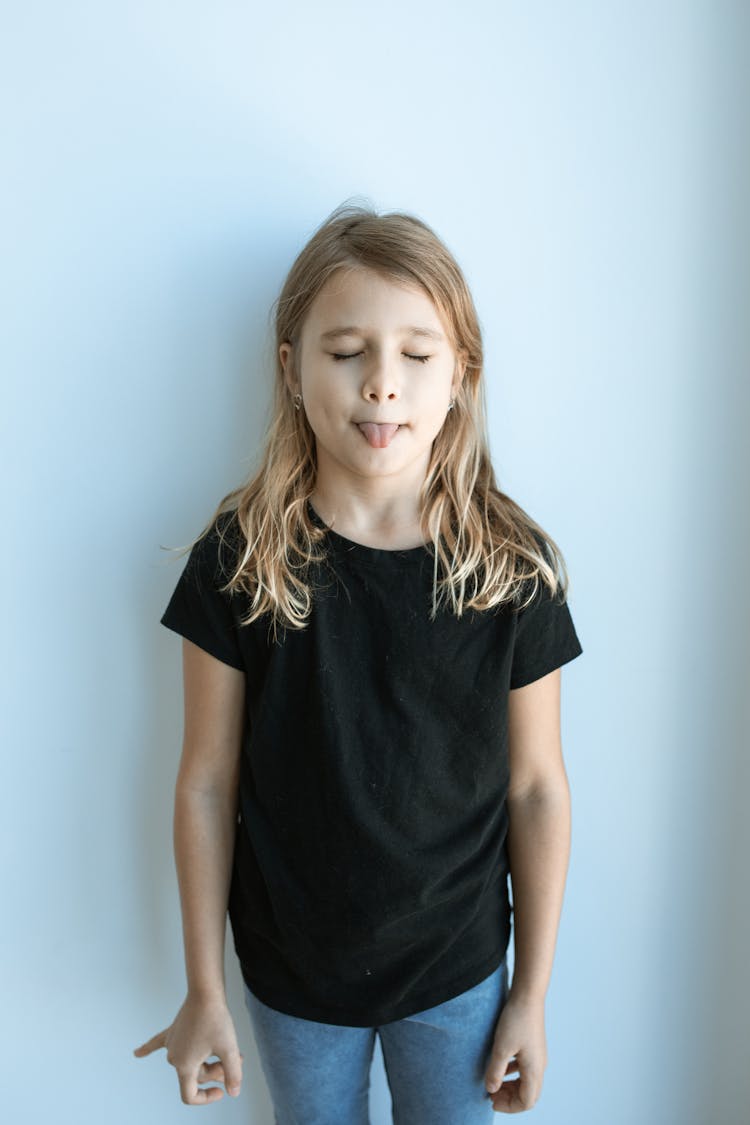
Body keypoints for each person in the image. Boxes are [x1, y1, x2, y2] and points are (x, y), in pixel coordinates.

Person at [133, 201, 583, 1122]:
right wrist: (202, 986)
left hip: (458, 974)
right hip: (293, 976)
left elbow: (538, 788)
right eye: (348, 352)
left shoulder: (511, 566)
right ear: (293, 370)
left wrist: (530, 995)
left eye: (417, 355)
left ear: (460, 373)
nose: (384, 385)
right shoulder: (240, 558)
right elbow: (206, 782)